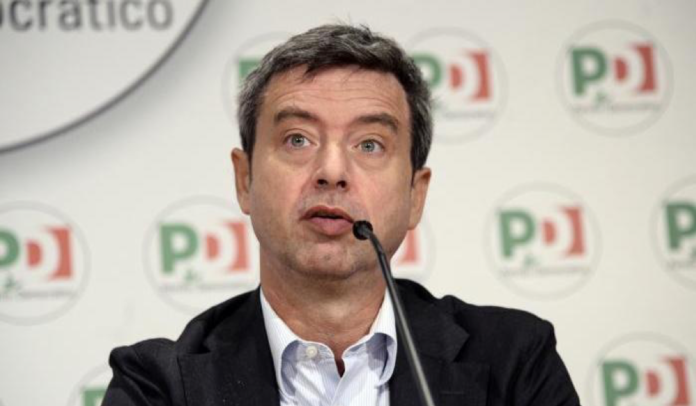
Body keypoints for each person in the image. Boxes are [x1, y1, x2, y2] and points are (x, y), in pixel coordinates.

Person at [103, 24, 581, 406]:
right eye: (297, 139)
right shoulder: (158, 387)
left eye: (369, 144)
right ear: (244, 179)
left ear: (415, 195)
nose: (332, 171)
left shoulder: (513, 362)